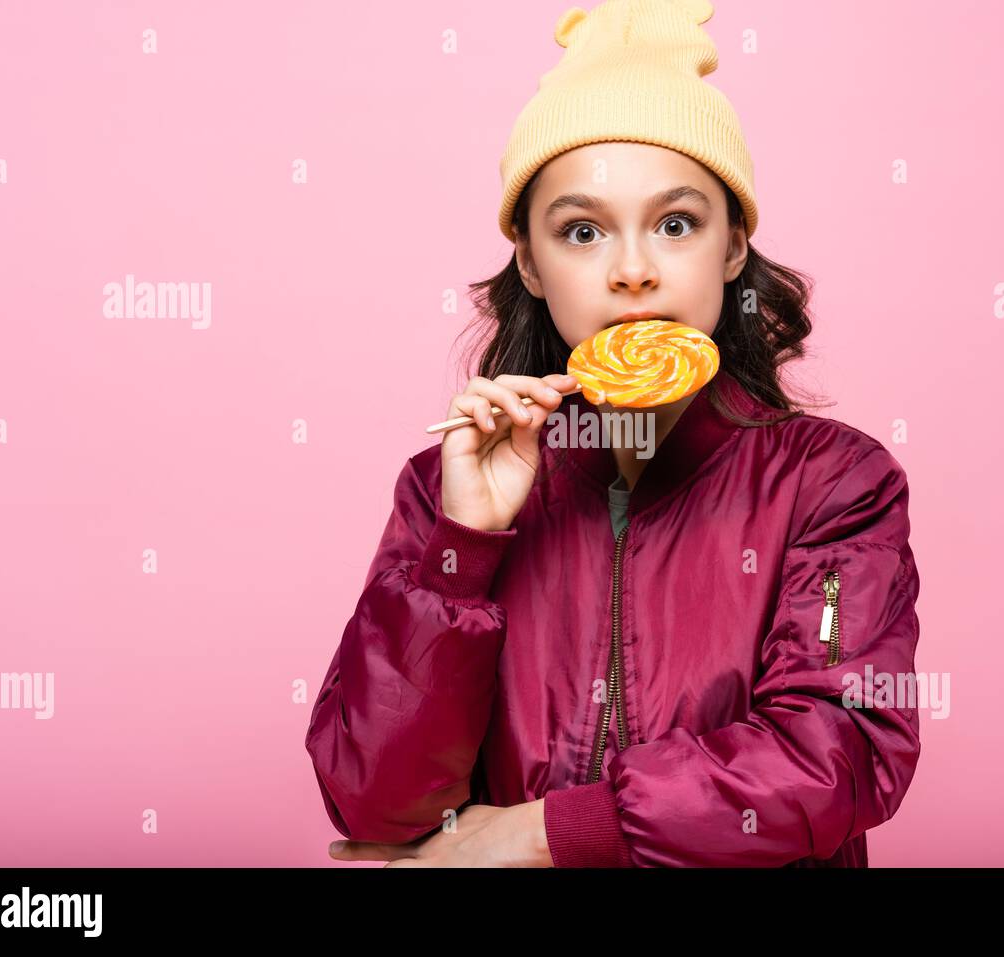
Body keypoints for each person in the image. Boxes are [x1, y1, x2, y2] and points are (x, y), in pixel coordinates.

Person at [304, 0, 922, 867]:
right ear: (530, 261)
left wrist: (545, 832)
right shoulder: (441, 489)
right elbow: (375, 801)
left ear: (734, 245)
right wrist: (466, 544)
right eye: (582, 231)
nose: (633, 271)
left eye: (676, 223)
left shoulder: (831, 482)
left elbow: (840, 751)